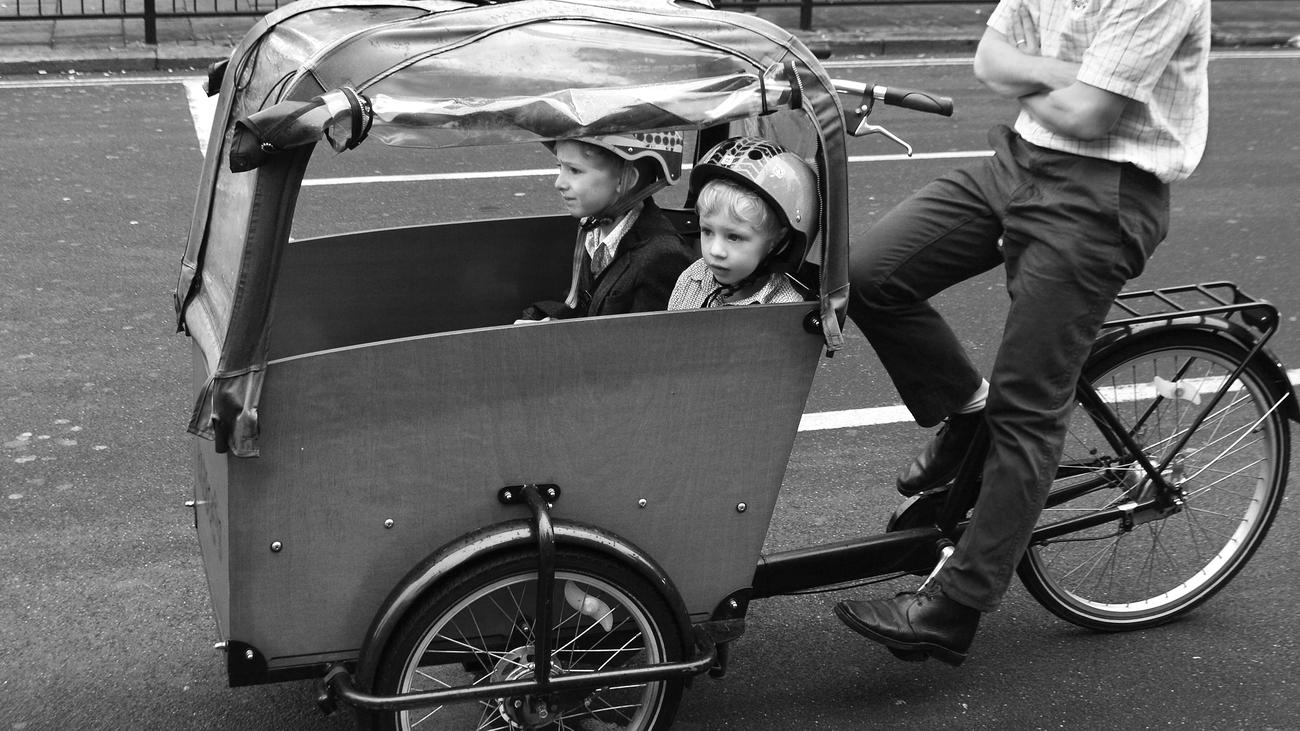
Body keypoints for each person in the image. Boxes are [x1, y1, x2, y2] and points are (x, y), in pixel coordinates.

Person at [833, 0, 1211, 666]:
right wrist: (1064, 73)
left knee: (1028, 406)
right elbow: (988, 60)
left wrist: (1033, 75)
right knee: (865, 274)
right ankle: (966, 409)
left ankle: (954, 605)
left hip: (1105, 192)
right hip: (1021, 160)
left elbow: (1091, 114)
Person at [518, 132, 694, 321]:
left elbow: (647, 343)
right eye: (560, 167)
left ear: (625, 179)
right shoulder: (593, 229)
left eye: (575, 170)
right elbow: (587, 307)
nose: (559, 183)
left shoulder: (661, 257)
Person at [669, 137, 816, 309]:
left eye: (734, 237)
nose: (715, 251)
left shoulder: (785, 310)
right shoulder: (693, 277)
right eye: (707, 231)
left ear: (776, 240)